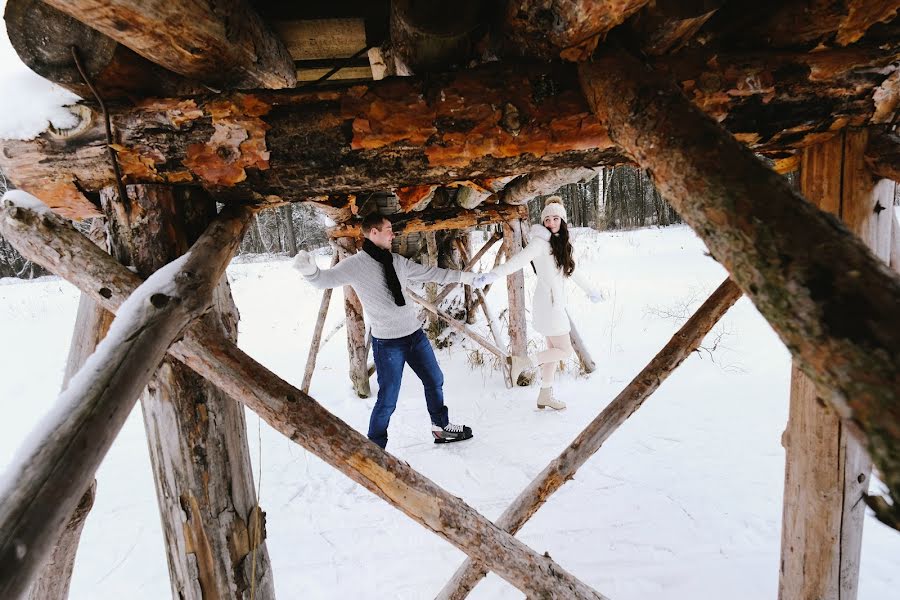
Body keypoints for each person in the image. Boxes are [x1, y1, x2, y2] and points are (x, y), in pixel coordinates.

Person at [293, 213, 496, 449]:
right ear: (373, 233)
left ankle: (441, 429)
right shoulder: (355, 266)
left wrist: (469, 278)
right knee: (388, 399)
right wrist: (310, 272)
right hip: (388, 343)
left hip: (414, 335)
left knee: (434, 379)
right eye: (388, 229)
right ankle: (375, 448)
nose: (393, 233)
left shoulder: (397, 261)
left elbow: (433, 273)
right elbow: (323, 280)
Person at [488, 196, 602, 410]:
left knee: (552, 350)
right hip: (549, 306)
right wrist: (493, 274)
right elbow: (518, 261)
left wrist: (591, 291)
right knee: (565, 351)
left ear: (563, 220)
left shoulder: (561, 244)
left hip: (552, 304)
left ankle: (545, 396)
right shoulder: (539, 242)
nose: (551, 223)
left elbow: (572, 271)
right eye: (547, 219)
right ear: (543, 222)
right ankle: (523, 363)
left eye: (555, 218)